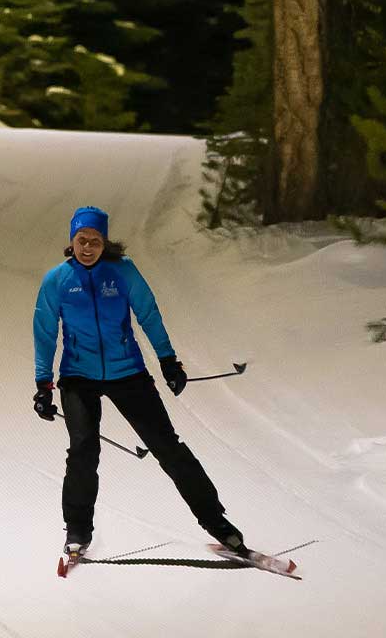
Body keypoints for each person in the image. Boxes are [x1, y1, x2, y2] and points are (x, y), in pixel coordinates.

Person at [31, 206, 243, 558]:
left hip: (127, 371)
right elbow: (44, 332)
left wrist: (168, 360)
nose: (88, 247)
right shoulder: (57, 280)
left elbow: (148, 313)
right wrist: (43, 384)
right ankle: (78, 531)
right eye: (82, 240)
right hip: (77, 377)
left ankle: (219, 525)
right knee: (83, 452)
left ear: (104, 243)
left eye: (95, 241)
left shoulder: (122, 272)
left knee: (168, 447)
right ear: (72, 241)